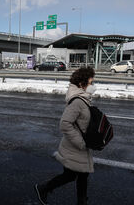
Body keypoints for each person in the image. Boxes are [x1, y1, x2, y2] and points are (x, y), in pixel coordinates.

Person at [34, 67, 96, 205]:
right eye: (91, 82)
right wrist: (80, 142)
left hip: (79, 147)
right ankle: (43, 188)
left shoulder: (83, 99)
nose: (93, 86)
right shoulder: (78, 101)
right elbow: (65, 124)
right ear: (82, 84)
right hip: (75, 147)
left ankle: (81, 201)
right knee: (71, 175)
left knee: (80, 175)